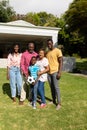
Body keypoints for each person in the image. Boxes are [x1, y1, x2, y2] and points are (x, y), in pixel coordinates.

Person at [46, 39, 63, 110]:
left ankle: (59, 103)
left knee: (56, 88)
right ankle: (53, 100)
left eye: (50, 43)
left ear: (52, 43)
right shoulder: (47, 53)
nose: (49, 45)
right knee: (52, 87)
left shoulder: (58, 51)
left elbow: (61, 61)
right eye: (48, 44)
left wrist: (59, 72)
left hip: (55, 72)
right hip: (49, 73)